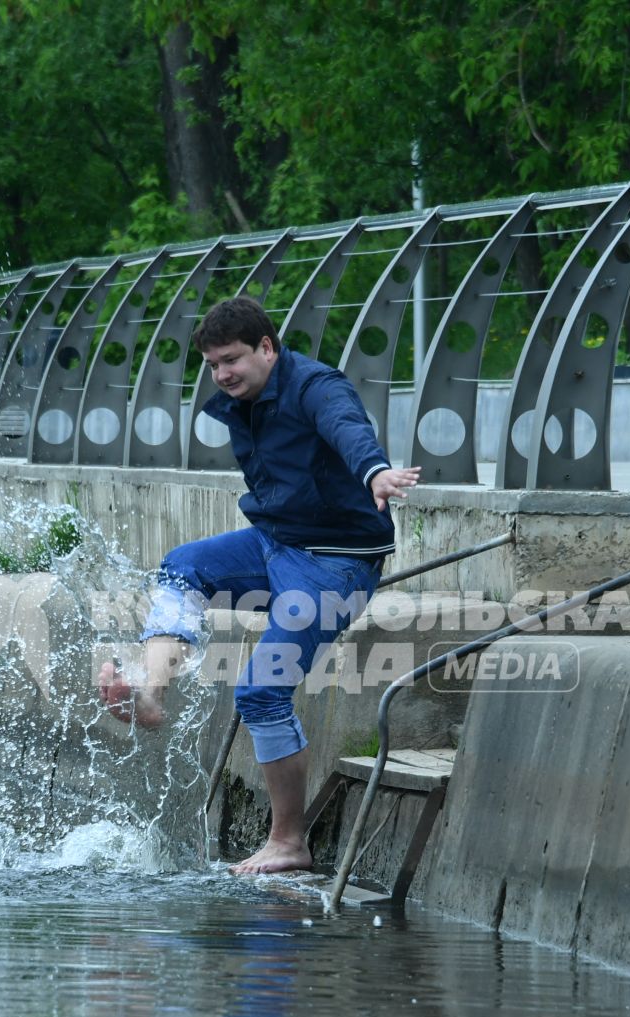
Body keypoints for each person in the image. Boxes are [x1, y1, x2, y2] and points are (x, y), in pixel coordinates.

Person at [97, 296, 421, 875]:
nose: (222, 375)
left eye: (232, 360)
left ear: (267, 348)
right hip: (276, 544)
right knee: (182, 566)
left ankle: (288, 842)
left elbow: (346, 429)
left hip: (333, 565)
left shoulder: (316, 387)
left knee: (260, 691)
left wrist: (376, 472)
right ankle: (150, 689)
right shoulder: (239, 398)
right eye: (213, 365)